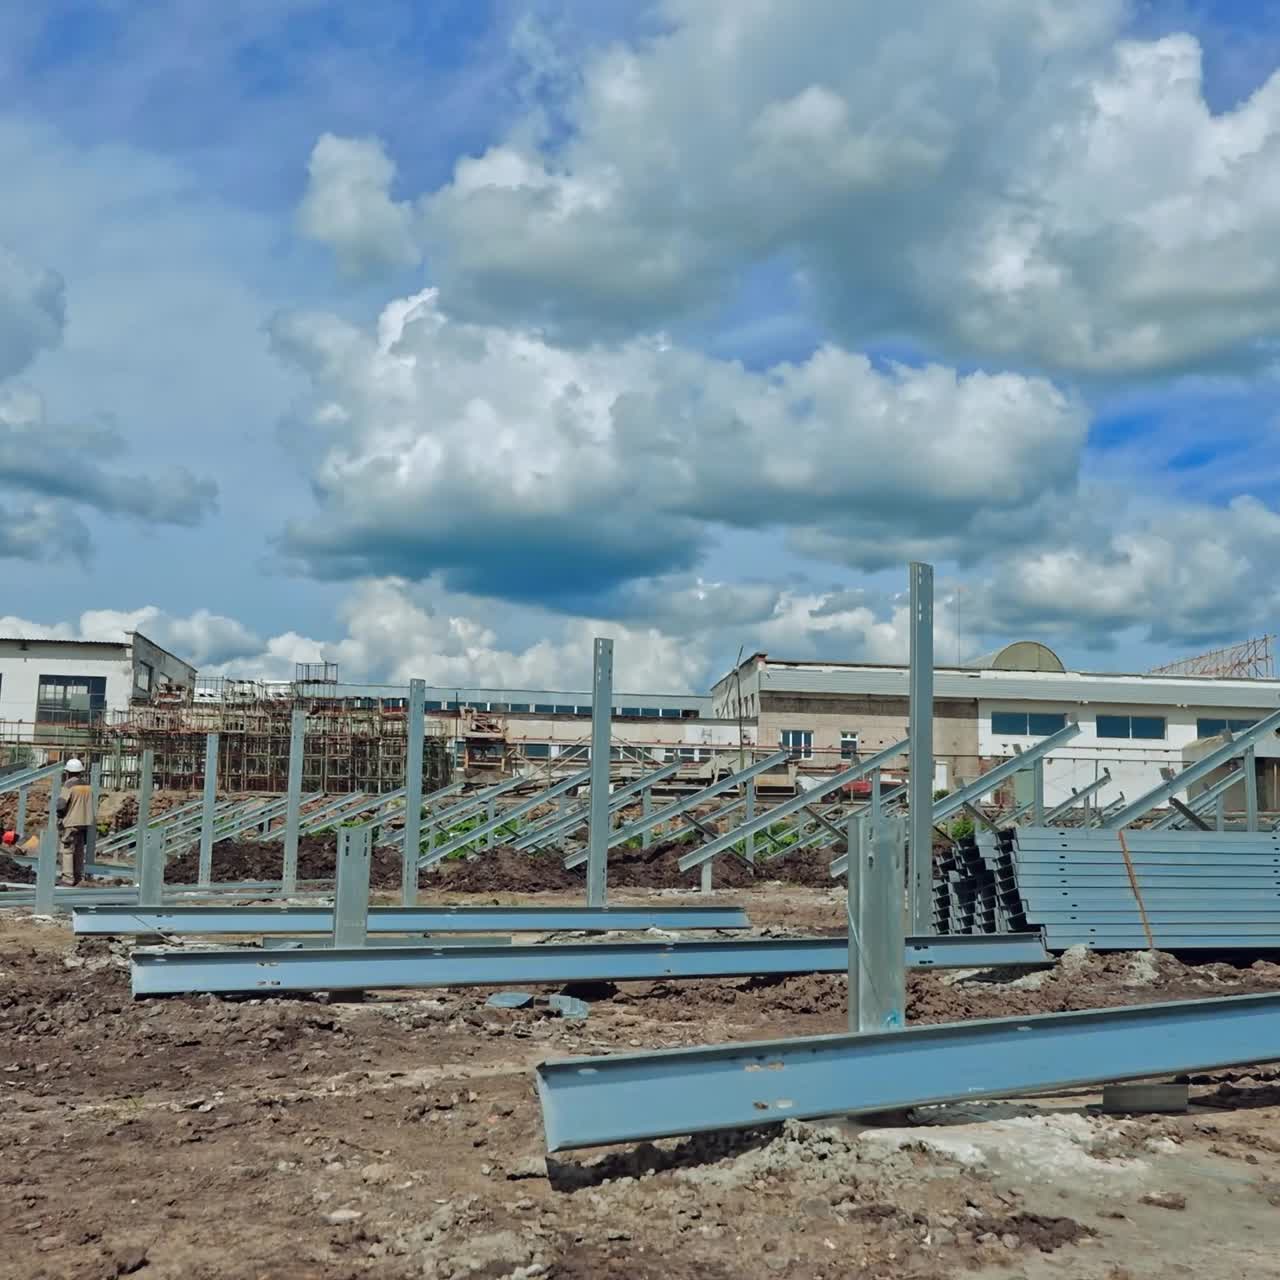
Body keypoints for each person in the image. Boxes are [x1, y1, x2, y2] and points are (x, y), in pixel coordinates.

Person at [57, 758, 95, 886]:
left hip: (71, 822)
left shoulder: (68, 785)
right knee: (79, 850)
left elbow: (61, 805)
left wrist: (60, 817)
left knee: (67, 849)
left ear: (68, 772)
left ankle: (67, 878)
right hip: (85, 822)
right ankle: (78, 876)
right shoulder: (87, 786)